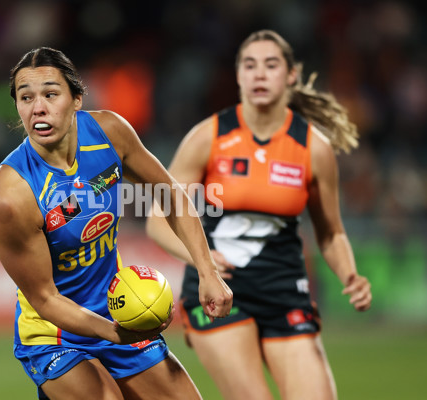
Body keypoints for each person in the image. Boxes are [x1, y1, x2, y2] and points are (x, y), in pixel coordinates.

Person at [0, 47, 232, 400]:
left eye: (51, 94)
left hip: (117, 311)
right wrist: (113, 333)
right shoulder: (11, 196)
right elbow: (45, 298)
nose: (38, 107)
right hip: (55, 334)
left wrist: (207, 272)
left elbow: (171, 196)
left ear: (77, 100)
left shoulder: (110, 133)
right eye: (26, 97)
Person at [146, 30, 372, 400]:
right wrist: (203, 263)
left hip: (285, 290)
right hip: (220, 292)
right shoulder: (208, 136)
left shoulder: (314, 147)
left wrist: (350, 274)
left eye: (271, 65)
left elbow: (331, 233)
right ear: (238, 76)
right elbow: (158, 219)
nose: (259, 74)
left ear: (291, 75)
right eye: (249, 65)